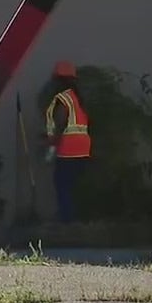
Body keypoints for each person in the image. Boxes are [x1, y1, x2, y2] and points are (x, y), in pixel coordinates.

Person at [43, 60, 91, 225]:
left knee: (61, 184)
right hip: (83, 148)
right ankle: (72, 217)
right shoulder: (78, 98)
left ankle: (66, 220)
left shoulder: (63, 98)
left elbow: (60, 124)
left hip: (69, 148)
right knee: (71, 185)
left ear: (58, 80)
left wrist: (51, 148)